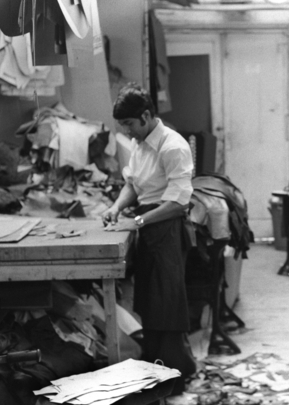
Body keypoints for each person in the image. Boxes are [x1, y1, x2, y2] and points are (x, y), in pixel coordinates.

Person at [102, 82, 196, 395]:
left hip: (167, 226)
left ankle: (175, 375)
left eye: (129, 123)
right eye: (122, 125)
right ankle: (155, 368)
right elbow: (132, 184)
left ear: (145, 116)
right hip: (148, 223)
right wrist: (116, 207)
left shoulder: (172, 146)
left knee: (167, 302)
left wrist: (138, 221)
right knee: (149, 301)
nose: (126, 131)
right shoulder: (140, 143)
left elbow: (179, 202)